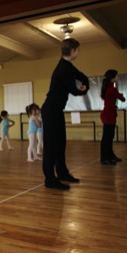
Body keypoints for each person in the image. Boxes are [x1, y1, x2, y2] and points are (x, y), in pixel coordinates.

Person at [42, 38, 89, 190]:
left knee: (60, 143)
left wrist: (85, 82)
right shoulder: (63, 68)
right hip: (50, 110)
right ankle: (50, 179)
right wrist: (83, 89)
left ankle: (62, 173)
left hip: (56, 110)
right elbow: (73, 89)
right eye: (78, 50)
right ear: (73, 51)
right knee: (51, 145)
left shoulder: (68, 66)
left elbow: (81, 76)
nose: (79, 53)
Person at [100, 69, 125, 165]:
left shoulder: (108, 87)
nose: (117, 78)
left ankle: (110, 156)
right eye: (116, 76)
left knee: (109, 137)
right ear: (112, 78)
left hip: (108, 114)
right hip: (108, 116)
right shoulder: (111, 89)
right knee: (107, 138)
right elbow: (122, 98)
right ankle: (105, 157)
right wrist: (120, 95)